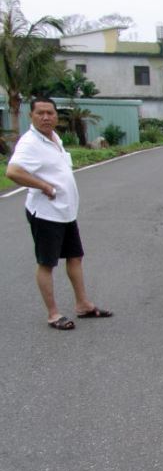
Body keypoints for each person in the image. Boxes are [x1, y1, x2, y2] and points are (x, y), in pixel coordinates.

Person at [5, 97, 113, 330]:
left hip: (65, 213)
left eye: (50, 113)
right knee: (47, 263)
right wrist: (43, 186)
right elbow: (13, 171)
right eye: (40, 113)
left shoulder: (54, 138)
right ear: (30, 116)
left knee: (75, 257)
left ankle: (83, 304)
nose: (45, 117)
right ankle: (53, 314)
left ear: (56, 116)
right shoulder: (30, 143)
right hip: (46, 214)